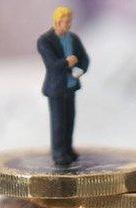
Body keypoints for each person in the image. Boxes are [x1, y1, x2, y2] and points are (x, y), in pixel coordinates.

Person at [36, 6, 89, 166]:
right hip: (56, 89)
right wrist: (68, 62)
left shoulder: (73, 38)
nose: (68, 25)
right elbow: (52, 65)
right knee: (58, 121)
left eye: (70, 22)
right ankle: (59, 152)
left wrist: (80, 71)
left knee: (70, 119)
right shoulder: (45, 41)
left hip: (71, 86)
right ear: (57, 22)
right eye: (66, 22)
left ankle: (67, 149)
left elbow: (84, 59)